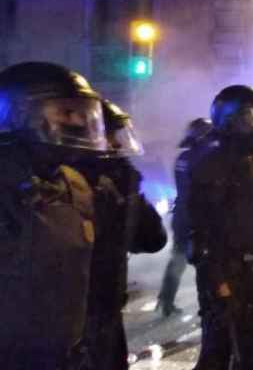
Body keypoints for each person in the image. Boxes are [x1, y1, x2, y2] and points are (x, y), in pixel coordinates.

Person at [0, 62, 107, 369]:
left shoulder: (75, 185)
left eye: (82, 112)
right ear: (18, 115)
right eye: (65, 112)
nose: (78, 121)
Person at [189, 85, 253, 370]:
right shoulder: (210, 163)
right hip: (227, 272)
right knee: (218, 351)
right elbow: (202, 229)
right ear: (230, 119)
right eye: (251, 117)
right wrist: (218, 280)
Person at [77, 100, 167, 370]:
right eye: (109, 137)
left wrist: (130, 194)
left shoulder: (116, 182)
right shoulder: (61, 189)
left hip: (107, 313)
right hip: (66, 325)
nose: (116, 145)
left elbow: (152, 240)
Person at [158, 117, 214, 317]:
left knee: (178, 259)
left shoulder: (183, 158)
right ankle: (207, 304)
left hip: (181, 215)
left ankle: (166, 300)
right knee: (204, 261)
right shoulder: (204, 158)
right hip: (195, 217)